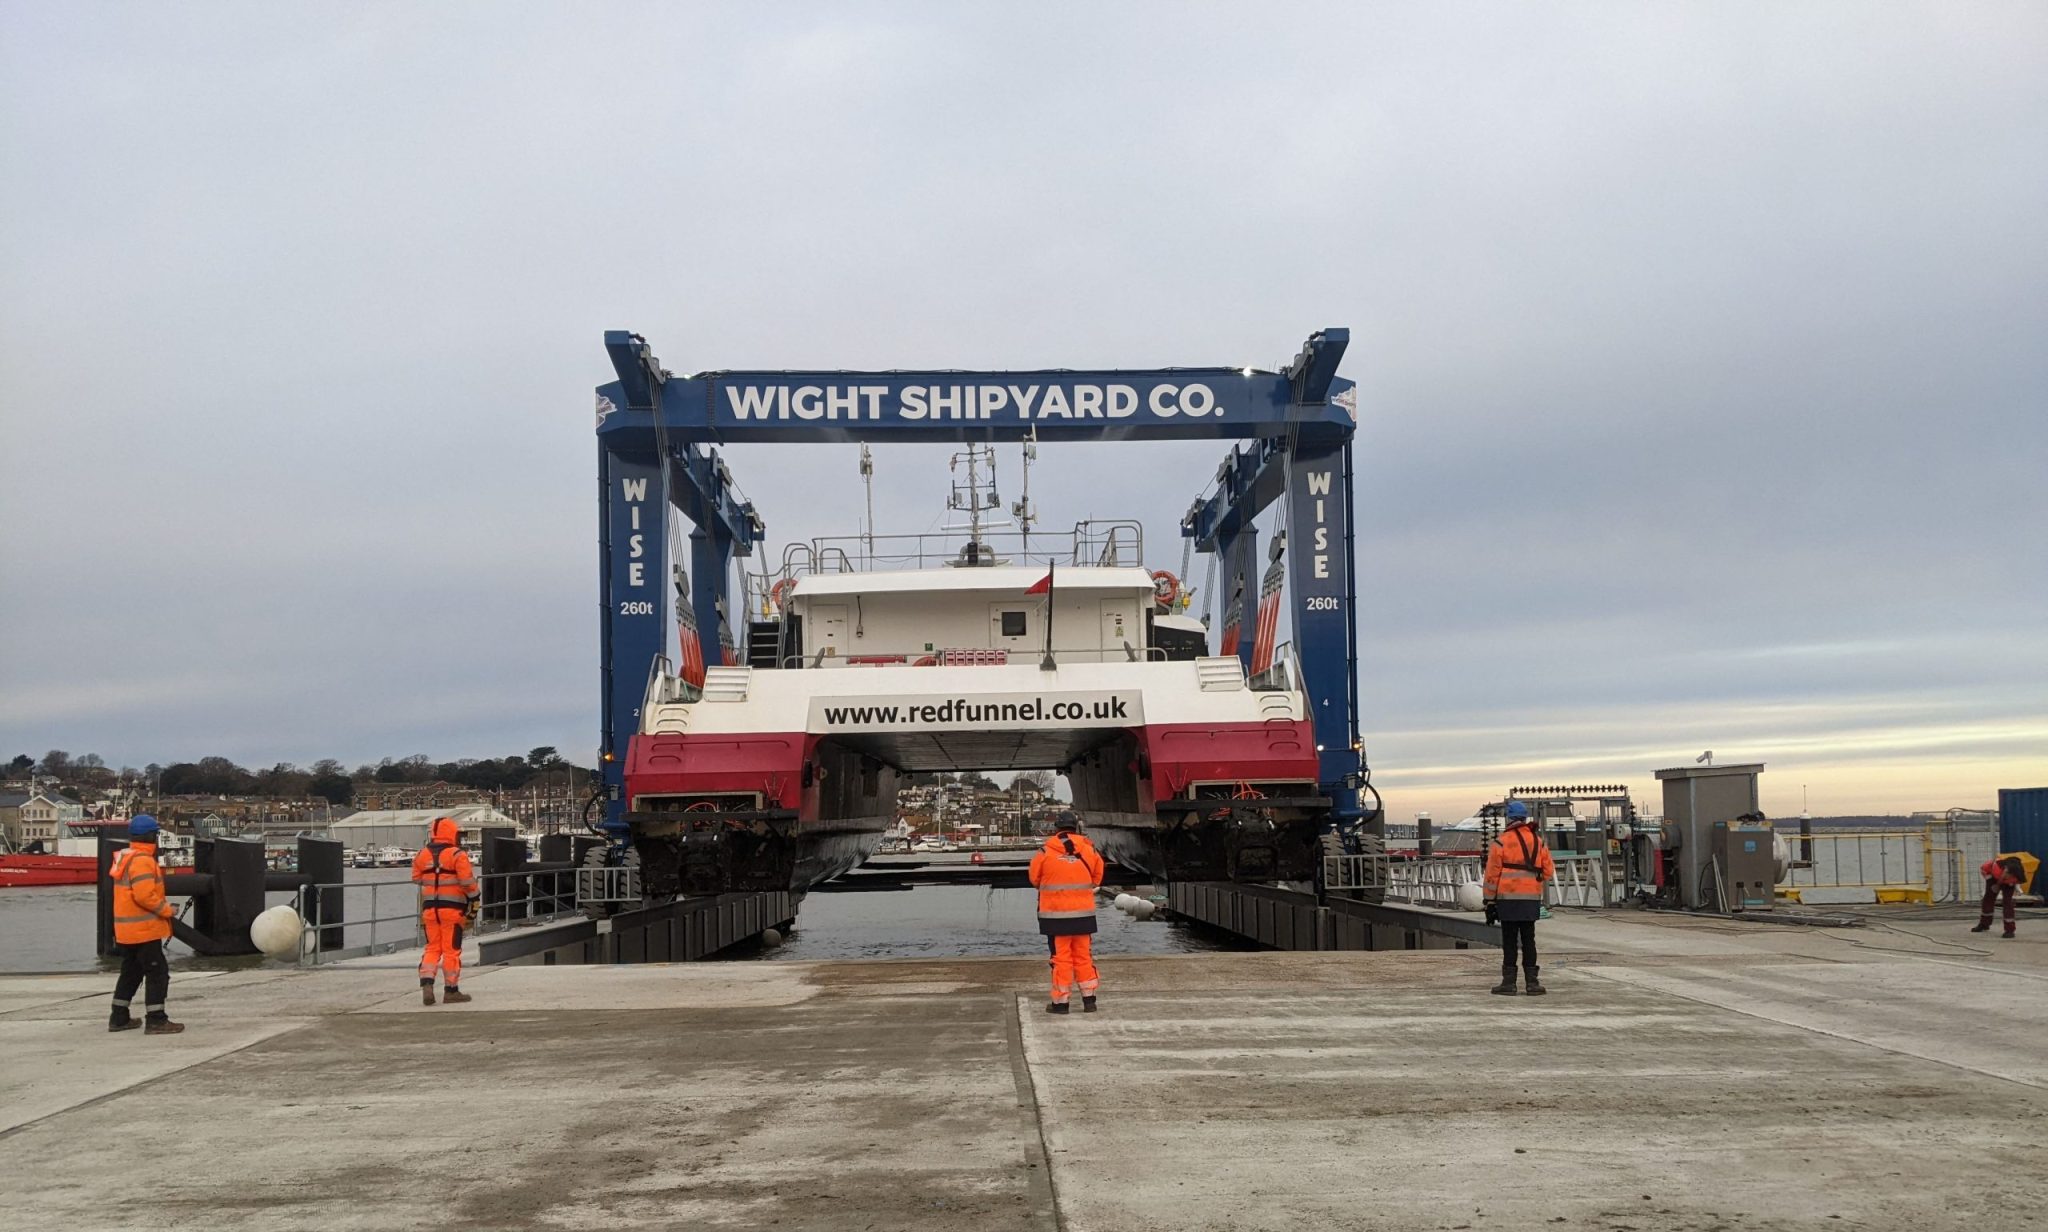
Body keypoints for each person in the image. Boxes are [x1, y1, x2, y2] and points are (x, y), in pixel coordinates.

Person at [109, 814, 184, 1034]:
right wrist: (167, 910)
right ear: (152, 836)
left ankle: (119, 1017)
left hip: (126, 929)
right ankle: (156, 1019)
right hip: (143, 930)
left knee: (131, 971)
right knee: (157, 972)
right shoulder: (142, 860)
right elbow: (144, 896)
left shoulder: (124, 857)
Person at [1029, 814, 1105, 1014]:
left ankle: (1061, 1004)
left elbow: (1034, 879)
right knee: (1083, 956)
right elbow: (1097, 879)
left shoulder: (1045, 851)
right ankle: (1089, 1001)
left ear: (1057, 828)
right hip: (1083, 915)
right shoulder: (1090, 850)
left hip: (1055, 916)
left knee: (1061, 958)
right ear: (1076, 827)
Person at [1483, 801, 1556, 996]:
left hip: (1507, 899)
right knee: (1528, 940)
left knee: (1509, 941)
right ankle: (1532, 983)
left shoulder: (1500, 842)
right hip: (1531, 899)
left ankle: (1509, 983)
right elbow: (1548, 871)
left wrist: (1489, 901)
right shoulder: (1538, 841)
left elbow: (1492, 875)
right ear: (1525, 819)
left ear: (1508, 818)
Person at [410, 817, 480, 1005]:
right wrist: (475, 898)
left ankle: (427, 982)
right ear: (452, 833)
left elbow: (416, 878)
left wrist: (433, 878)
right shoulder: (457, 855)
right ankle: (451, 990)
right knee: (451, 951)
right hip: (452, 910)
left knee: (432, 948)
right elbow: (467, 882)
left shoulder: (421, 855)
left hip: (430, 910)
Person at [1970, 854, 2028, 939]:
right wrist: (1991, 882)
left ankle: (2009, 930)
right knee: (1988, 900)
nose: (2006, 874)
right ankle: (1984, 924)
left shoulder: (2016, 876)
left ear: (2013, 874)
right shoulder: (1994, 866)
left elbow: (2016, 881)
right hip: (1993, 878)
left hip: (2008, 883)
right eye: (2006, 872)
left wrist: (2012, 885)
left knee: (2007, 902)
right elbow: (1984, 870)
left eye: (2008, 874)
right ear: (2004, 868)